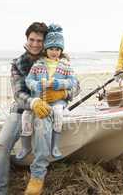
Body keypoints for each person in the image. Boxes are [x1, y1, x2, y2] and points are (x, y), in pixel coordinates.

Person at [0, 22, 80, 195]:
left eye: (40, 40)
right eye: (32, 39)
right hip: (22, 110)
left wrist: (62, 94)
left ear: (46, 42)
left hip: (47, 108)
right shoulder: (19, 63)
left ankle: (37, 177)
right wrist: (33, 102)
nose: (35, 44)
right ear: (27, 39)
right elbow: (18, 93)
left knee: (42, 125)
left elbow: (77, 87)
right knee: (1, 144)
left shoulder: (61, 62)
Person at [17, 24, 79, 163]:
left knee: (57, 113)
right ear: (46, 49)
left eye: (57, 49)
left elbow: (73, 82)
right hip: (38, 100)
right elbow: (28, 80)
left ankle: (55, 145)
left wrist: (60, 87)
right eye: (51, 48)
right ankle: (25, 146)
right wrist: (35, 85)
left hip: (57, 101)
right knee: (26, 116)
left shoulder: (65, 65)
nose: (54, 52)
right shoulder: (38, 64)